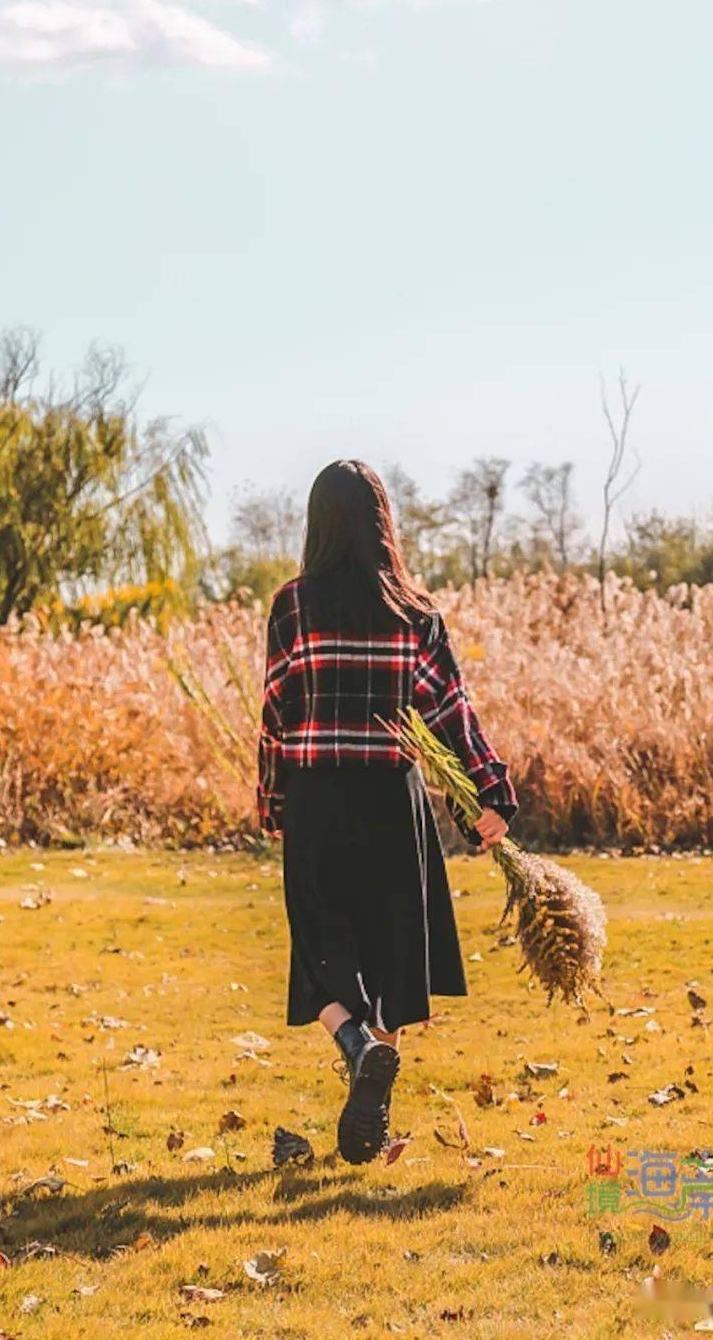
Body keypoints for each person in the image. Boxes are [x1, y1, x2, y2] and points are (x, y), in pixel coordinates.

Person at [256, 459, 518, 1164]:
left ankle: (357, 1046)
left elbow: (277, 713)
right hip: (390, 803)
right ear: (382, 525)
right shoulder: (415, 612)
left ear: (319, 524)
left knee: (320, 952)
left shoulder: (293, 605)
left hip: (318, 799)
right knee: (389, 951)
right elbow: (453, 709)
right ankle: (372, 1092)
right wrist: (489, 793)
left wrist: (272, 801)